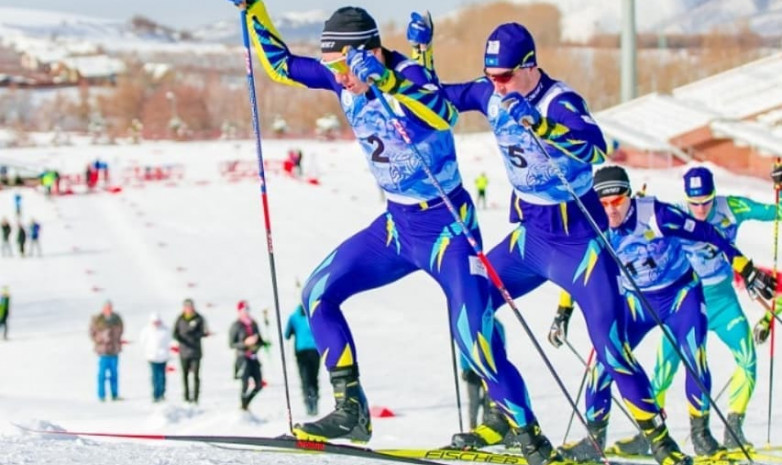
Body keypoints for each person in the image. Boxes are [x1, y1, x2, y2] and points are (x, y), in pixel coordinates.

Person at [237, 2, 534, 452]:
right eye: (333, 67)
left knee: (472, 329)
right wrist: (254, 7)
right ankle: (351, 412)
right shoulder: (345, 81)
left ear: (367, 54)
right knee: (316, 294)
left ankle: (521, 426)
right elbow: (281, 66)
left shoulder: (409, 76)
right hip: (398, 227)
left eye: (343, 66)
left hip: (446, 227)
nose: (337, 77)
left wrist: (387, 83)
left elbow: (444, 116)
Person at [407, 16, 689, 465]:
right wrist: (421, 55)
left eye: (504, 76)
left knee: (612, 346)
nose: (496, 86)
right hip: (530, 239)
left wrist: (543, 126)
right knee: (470, 305)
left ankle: (660, 442)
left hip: (579, 244)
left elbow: (597, 148)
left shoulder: (559, 100)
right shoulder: (491, 93)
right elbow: (435, 100)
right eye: (491, 77)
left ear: (530, 67)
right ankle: (508, 418)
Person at [555, 166, 775, 461]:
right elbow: (576, 268)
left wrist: (746, 268)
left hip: (679, 295)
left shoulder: (658, 214)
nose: (611, 210)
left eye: (618, 201)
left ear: (629, 196)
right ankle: (594, 441)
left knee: (694, 357)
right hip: (637, 303)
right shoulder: (593, 224)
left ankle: (701, 435)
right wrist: (563, 311)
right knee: (604, 364)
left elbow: (709, 232)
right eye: (603, 204)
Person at [642, 166, 782, 451]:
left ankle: (734, 429)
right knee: (664, 369)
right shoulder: (674, 215)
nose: (701, 208)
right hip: (684, 298)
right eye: (695, 203)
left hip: (723, 300)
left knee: (746, 358)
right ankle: (651, 435)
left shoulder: (731, 207)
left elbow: (775, 212)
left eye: (706, 201)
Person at [461, 319, 505, 429]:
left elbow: (501, 347)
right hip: (473, 370)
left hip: (489, 369)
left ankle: (486, 425)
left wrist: (499, 366)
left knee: (488, 401)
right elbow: (464, 348)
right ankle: (472, 427)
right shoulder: (471, 323)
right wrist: (465, 367)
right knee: (474, 401)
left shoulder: (497, 325)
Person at [229, 300, 267, 411]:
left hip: (254, 357)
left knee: (259, 384)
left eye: (247, 309)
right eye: (243, 310)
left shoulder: (253, 323)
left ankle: (246, 403)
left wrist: (260, 343)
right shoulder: (236, 325)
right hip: (242, 357)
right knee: (244, 383)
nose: (246, 312)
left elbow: (259, 339)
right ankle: (243, 406)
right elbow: (231, 344)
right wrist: (245, 343)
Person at [285, 303, 320, 416]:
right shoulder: (314, 315)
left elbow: (287, 335)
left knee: (306, 379)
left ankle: (309, 402)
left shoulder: (294, 317)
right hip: (314, 350)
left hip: (302, 352)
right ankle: (313, 401)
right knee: (313, 378)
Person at [173, 298, 208, 404]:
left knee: (196, 375)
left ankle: (196, 397)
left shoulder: (199, 318)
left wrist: (194, 336)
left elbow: (204, 332)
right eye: (186, 306)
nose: (188, 308)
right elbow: (175, 333)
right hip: (183, 352)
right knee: (184, 375)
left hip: (195, 351)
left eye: (190, 306)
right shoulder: (180, 318)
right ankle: (186, 396)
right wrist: (181, 339)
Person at [89, 300, 124, 401]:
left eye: (110, 307)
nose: (109, 309)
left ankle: (115, 394)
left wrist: (115, 338)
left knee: (114, 374)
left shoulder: (116, 319)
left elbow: (121, 330)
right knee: (102, 374)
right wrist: (101, 339)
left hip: (114, 350)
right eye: (107, 307)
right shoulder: (98, 319)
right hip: (103, 351)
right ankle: (101, 395)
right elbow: (92, 333)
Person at [139, 312, 172, 402]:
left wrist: (168, 352)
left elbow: (170, 342)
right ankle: (155, 394)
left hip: (163, 356)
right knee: (154, 376)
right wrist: (147, 353)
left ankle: (162, 393)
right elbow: (143, 342)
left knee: (162, 376)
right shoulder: (147, 330)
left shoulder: (165, 330)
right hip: (152, 356)